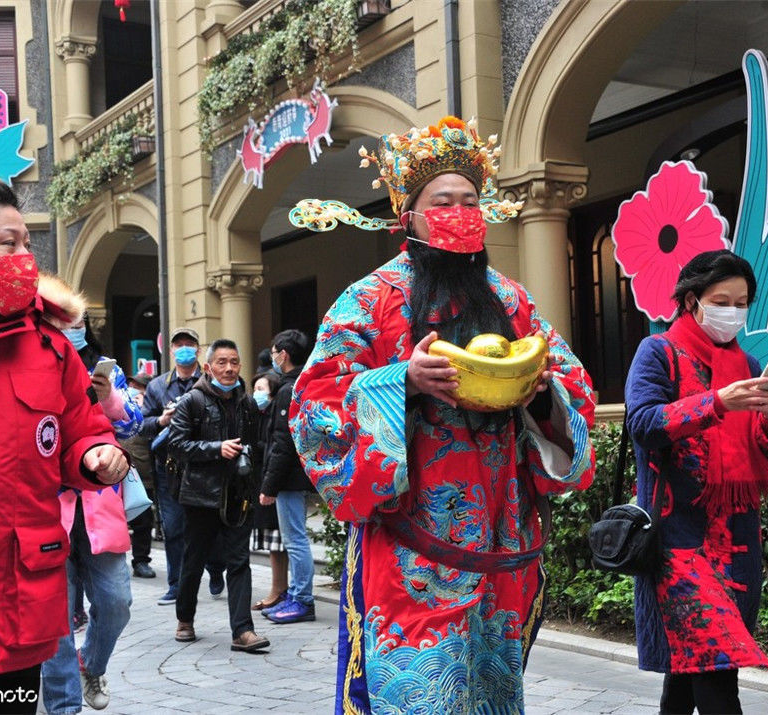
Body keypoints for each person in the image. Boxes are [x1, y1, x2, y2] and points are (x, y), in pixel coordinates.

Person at [288, 116, 596, 712]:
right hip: (409, 550)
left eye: (470, 200)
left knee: (493, 693)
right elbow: (313, 403)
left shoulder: (511, 300)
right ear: (410, 216)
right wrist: (400, 380)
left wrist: (538, 393)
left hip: (502, 542)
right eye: (443, 201)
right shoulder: (370, 298)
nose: (460, 211)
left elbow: (573, 386)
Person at [0, 178, 128, 714]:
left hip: (16, 607)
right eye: (8, 244)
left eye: (28, 245)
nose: (26, 259)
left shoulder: (48, 345)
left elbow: (83, 431)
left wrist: (97, 457)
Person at [624, 249, 768, 715]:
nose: (733, 312)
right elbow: (643, 423)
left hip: (737, 537)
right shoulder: (658, 352)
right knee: (716, 669)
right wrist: (715, 403)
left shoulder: (749, 363)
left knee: (694, 668)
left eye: (742, 303)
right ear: (693, 299)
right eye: (723, 300)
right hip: (679, 540)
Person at [39, 292, 141, 714]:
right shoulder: (32, 365)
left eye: (78, 322)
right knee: (57, 616)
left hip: (99, 502)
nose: (71, 328)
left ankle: (90, 664)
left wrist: (107, 399)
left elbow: (132, 423)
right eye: (64, 321)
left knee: (117, 602)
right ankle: (64, 704)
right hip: (48, 506)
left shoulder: (106, 371)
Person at [167, 340, 269, 652]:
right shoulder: (192, 401)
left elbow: (257, 446)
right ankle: (185, 618)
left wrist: (258, 483)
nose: (228, 368)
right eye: (222, 362)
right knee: (194, 560)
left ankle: (243, 631)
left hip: (238, 496)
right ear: (209, 367)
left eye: (234, 362)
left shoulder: (247, 403)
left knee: (239, 561)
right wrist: (215, 449)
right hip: (201, 496)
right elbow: (176, 444)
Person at [140, 327, 224, 605]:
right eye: (179, 345)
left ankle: (214, 569)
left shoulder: (211, 381)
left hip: (204, 465)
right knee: (174, 527)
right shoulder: (157, 386)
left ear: (198, 350)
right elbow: (142, 425)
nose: (184, 348)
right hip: (170, 468)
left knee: (207, 526)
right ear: (171, 350)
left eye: (190, 344)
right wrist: (162, 421)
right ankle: (176, 585)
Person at [259, 330, 316, 625]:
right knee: (295, 538)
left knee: (294, 540)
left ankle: (302, 600)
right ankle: (296, 595)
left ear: (284, 354)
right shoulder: (301, 384)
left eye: (274, 351)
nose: (272, 357)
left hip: (289, 480)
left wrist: (269, 484)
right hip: (295, 478)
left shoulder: (287, 389)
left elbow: (283, 443)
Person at [249, 370, 289, 611]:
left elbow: (275, 447)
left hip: (272, 484)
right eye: (255, 389)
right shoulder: (257, 414)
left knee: (279, 542)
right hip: (261, 482)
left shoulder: (276, 414)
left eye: (261, 389)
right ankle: (279, 589)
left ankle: (280, 590)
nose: (257, 394)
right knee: (275, 543)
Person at [123, 372, 158, 578]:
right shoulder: (116, 408)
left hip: (142, 476)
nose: (134, 389)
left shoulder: (150, 414)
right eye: (132, 384)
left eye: (140, 386)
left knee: (143, 522)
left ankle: (141, 561)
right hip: (114, 475)